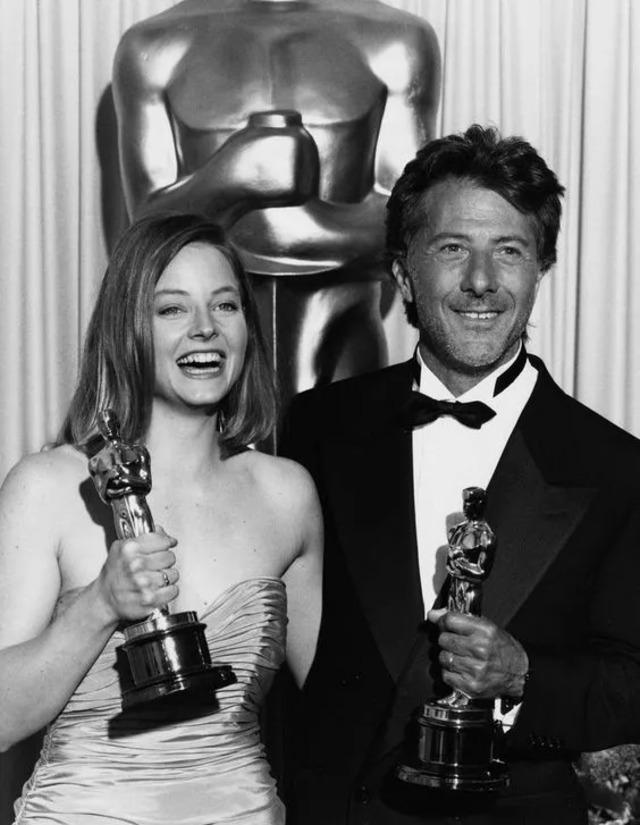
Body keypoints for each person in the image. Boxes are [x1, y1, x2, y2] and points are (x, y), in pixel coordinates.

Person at [279, 125, 640, 824]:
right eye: (452, 249)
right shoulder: (319, 427)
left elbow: (632, 685)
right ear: (402, 273)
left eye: (509, 251)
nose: (481, 281)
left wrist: (523, 677)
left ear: (540, 271)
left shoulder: (618, 467)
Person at [0, 212, 322, 825]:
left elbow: (343, 703)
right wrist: (100, 604)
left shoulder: (286, 494)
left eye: (225, 305)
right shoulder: (47, 487)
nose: (205, 328)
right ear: (128, 329)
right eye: (172, 308)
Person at [112, 0, 440, 407]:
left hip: (342, 341)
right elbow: (147, 233)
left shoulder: (397, 41)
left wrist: (301, 224)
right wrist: (231, 177)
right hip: (206, 354)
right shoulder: (152, 47)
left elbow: (409, 229)